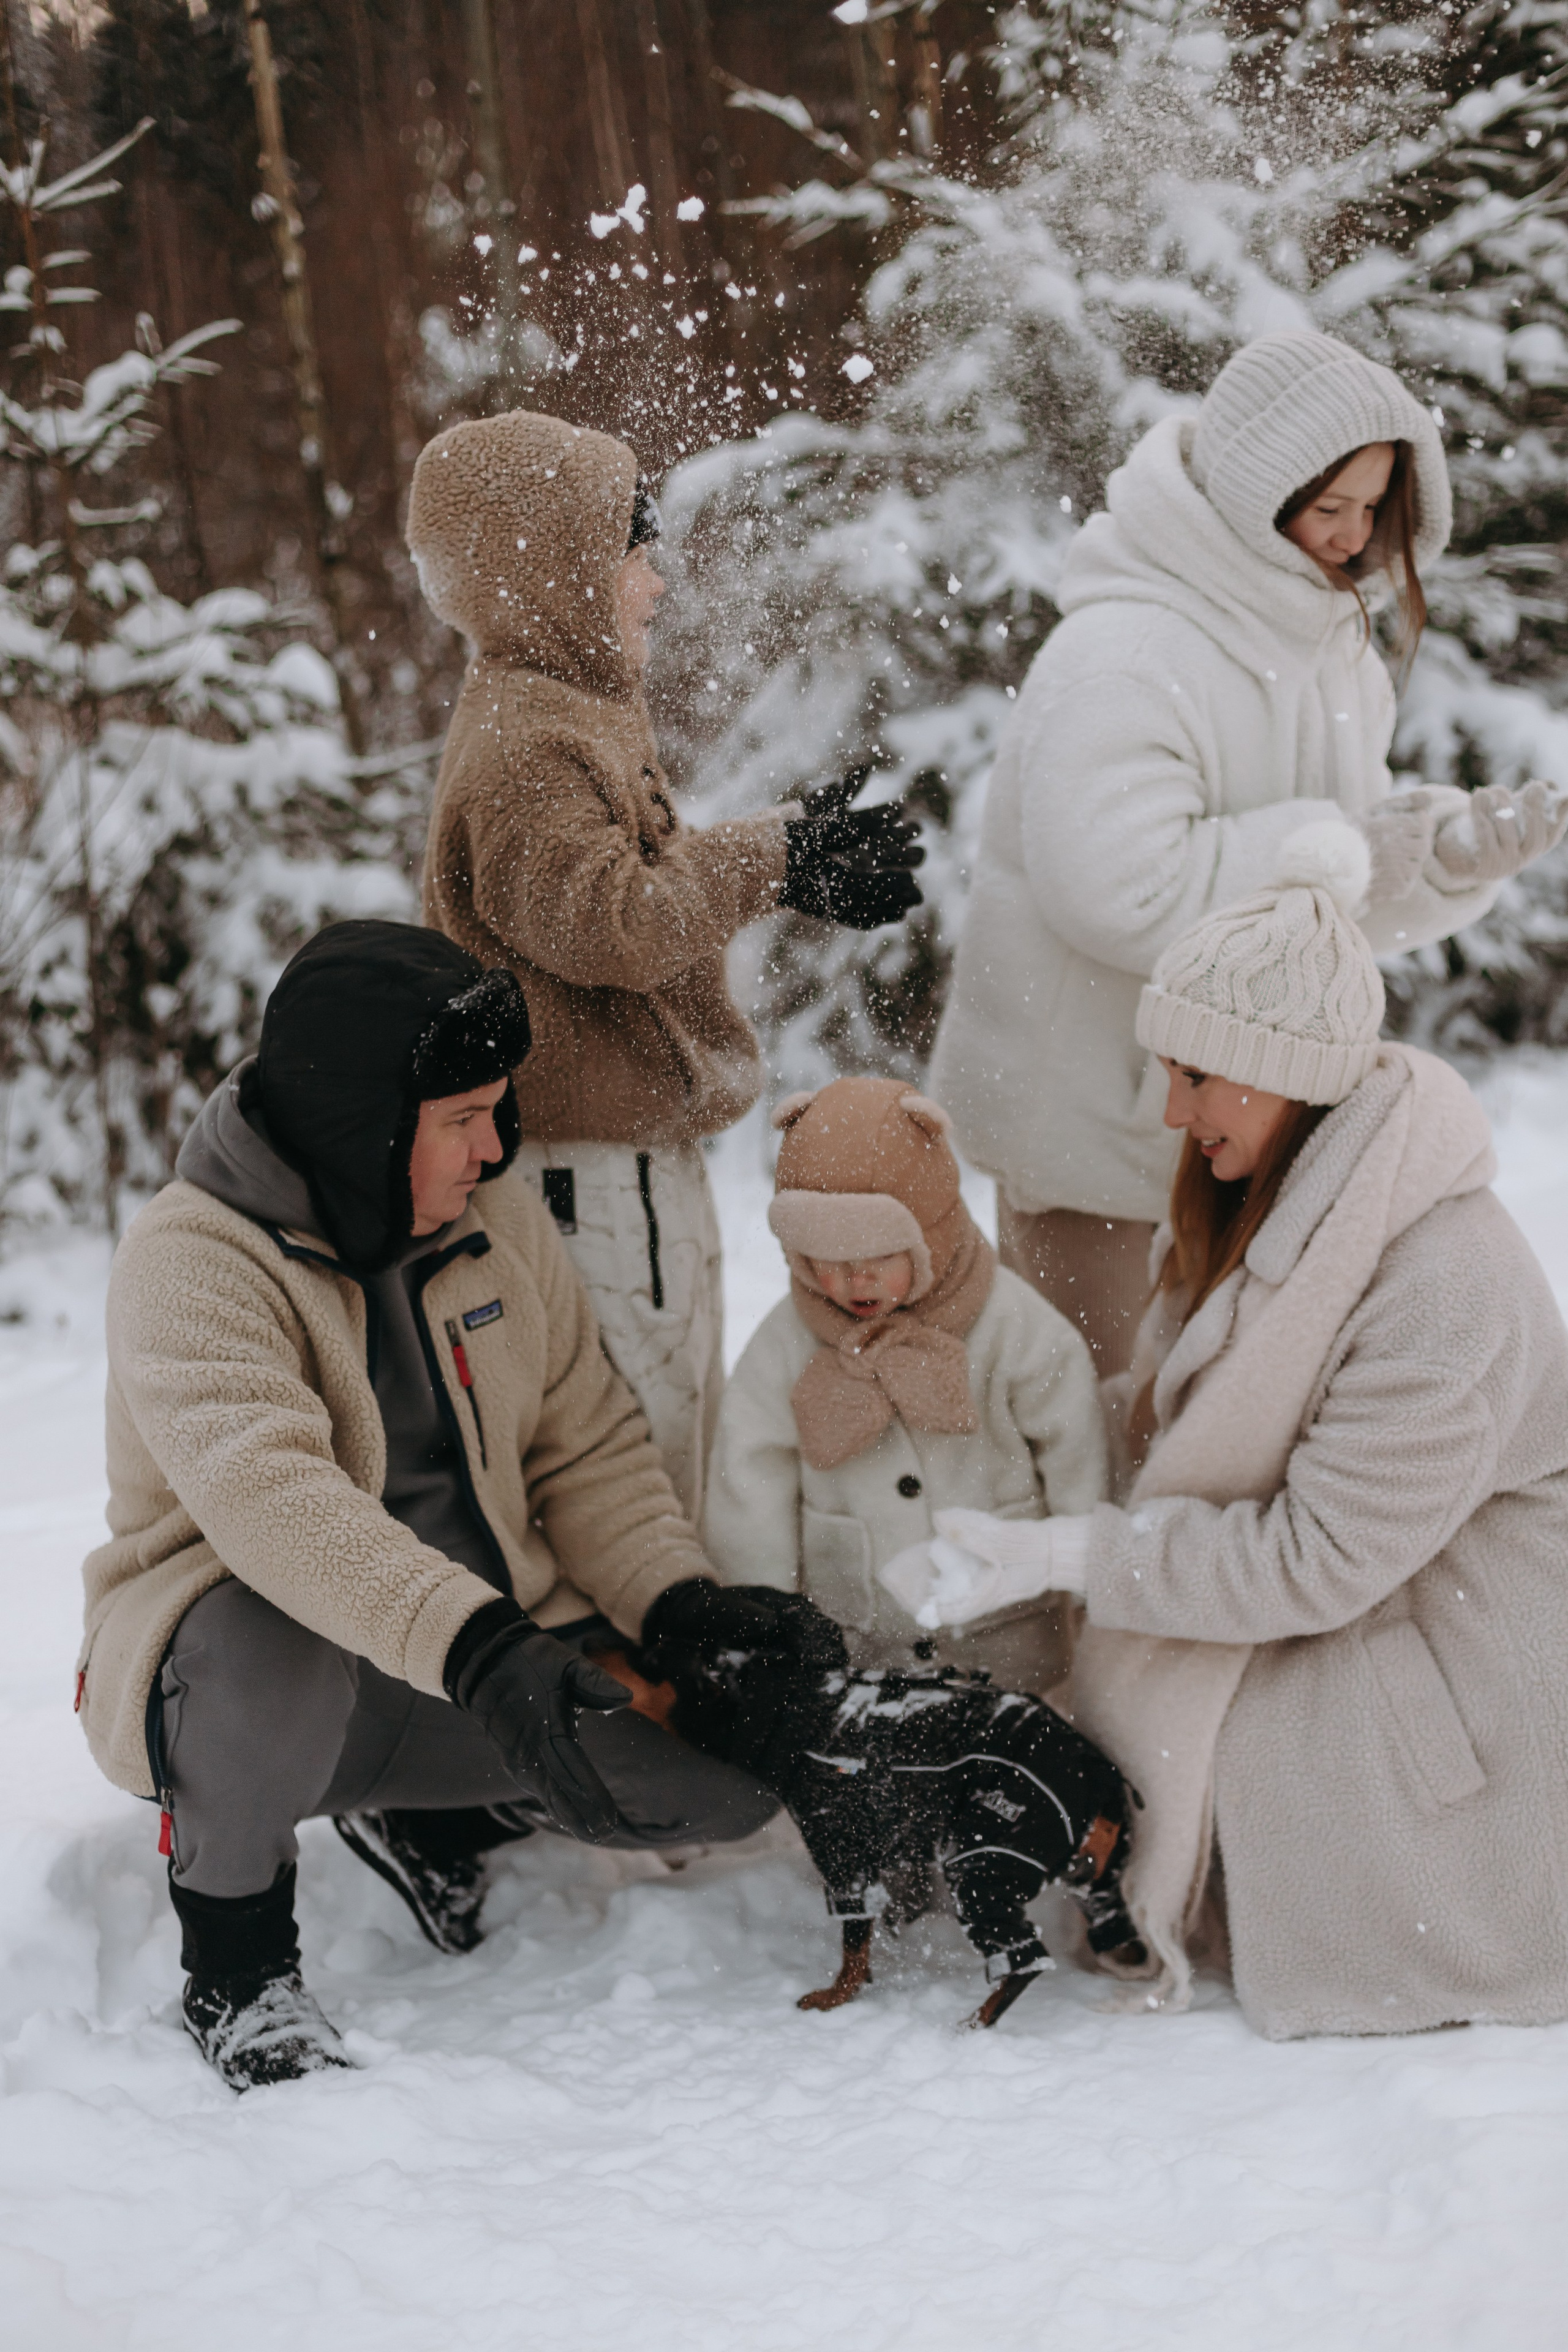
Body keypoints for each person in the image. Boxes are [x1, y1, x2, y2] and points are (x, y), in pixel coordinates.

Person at [77, 919, 839, 2092]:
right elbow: (277, 1506)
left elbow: (584, 1443)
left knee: (721, 1795)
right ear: (364, 1122)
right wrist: (489, 1653)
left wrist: (675, 1603)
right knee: (260, 1647)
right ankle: (239, 1976)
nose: (497, 1149)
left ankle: (441, 1820)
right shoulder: (194, 1259)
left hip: (474, 1658)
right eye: (463, 1121)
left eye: (499, 1110)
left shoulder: (494, 1220)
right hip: (266, 1667)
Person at [886, 823, 1568, 2040]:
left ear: (1285, 1073)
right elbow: (1171, 1420)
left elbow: (1311, 1562)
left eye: (1196, 1075)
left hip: (1451, 1667)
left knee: (1218, 1757)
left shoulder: (1442, 1285)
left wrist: (1066, 1555)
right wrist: (1004, 1429)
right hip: (1362, 1601)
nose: (1166, 1108)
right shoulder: (1265, 1212)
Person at [930, 328, 1568, 1375]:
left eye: (1376, 507)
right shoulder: (1127, 654)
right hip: (1103, 1150)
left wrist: (1442, 859)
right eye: (1332, 507)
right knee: (1102, 1460)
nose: (1357, 538)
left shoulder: (1326, 650)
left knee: (1212, 1467)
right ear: (1259, 492)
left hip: (1241, 1146)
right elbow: (1124, 893)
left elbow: (1322, 912)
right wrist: (1348, 848)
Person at [408, 410, 922, 1518]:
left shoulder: (569, 710)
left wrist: (788, 856)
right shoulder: (526, 746)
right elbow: (616, 922)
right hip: (583, 1189)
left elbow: (632, 890)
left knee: (672, 1461)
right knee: (632, 1482)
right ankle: (636, 1685)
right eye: (633, 553)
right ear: (552, 574)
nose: (655, 583)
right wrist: (774, 857)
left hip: (623, 1177)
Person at [703, 1076, 1107, 1695]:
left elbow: (1077, 1454)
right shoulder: (784, 1344)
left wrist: (1089, 1583)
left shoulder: (1015, 1329)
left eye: (879, 1256)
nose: (853, 1282)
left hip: (1012, 1651)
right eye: (827, 1262)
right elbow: (749, 1488)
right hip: (858, 1658)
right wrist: (764, 1624)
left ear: (932, 1232)